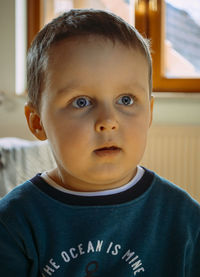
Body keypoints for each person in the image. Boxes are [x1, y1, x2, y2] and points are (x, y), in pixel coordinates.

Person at [0, 9, 199, 277]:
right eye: (81, 102)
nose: (108, 120)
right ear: (37, 122)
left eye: (126, 100)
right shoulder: (13, 223)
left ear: (149, 112)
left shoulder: (185, 218)